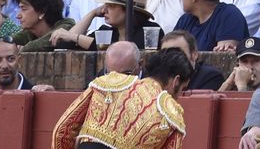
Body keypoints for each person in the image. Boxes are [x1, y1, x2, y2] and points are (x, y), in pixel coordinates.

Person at [51, 47, 193, 149]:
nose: (178, 96)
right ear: (176, 81)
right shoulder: (170, 113)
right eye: (182, 89)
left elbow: (62, 131)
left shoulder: (109, 83)